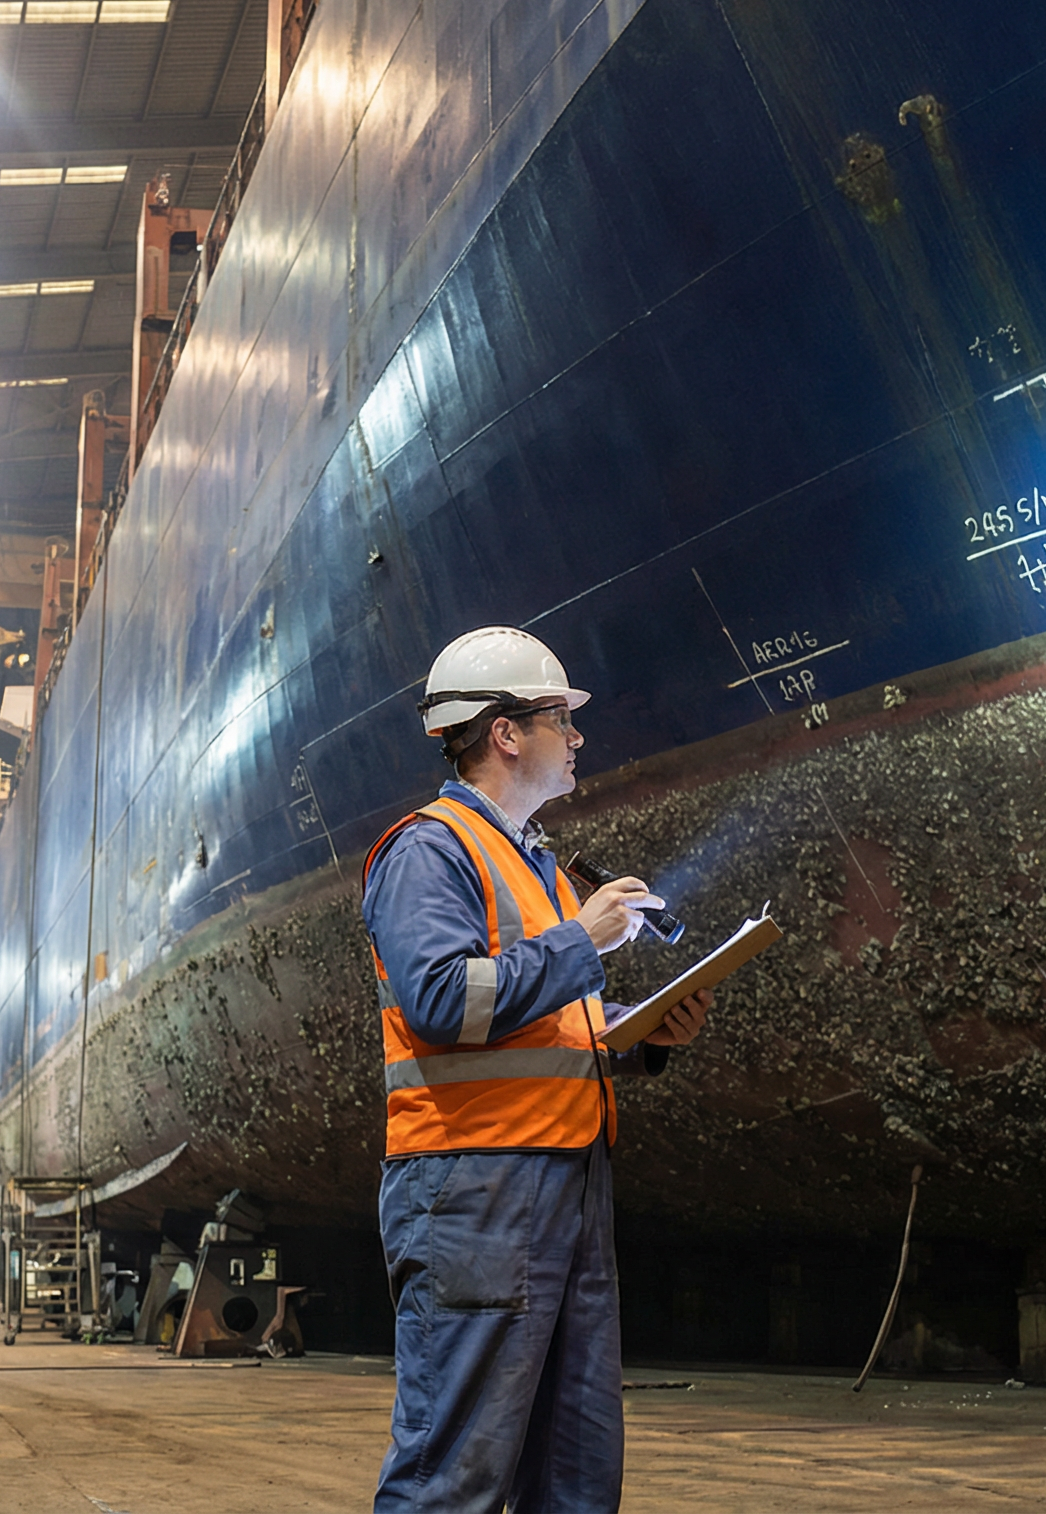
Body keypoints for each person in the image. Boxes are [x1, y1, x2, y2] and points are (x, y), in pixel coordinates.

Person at [360, 626, 713, 1512]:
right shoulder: (429, 851)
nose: (578, 735)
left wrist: (643, 1034)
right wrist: (584, 941)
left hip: (564, 1184)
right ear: (505, 732)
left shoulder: (540, 868)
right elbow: (443, 1002)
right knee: (453, 1475)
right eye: (562, 718)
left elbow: (544, 1024)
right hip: (473, 1190)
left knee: (576, 1474)